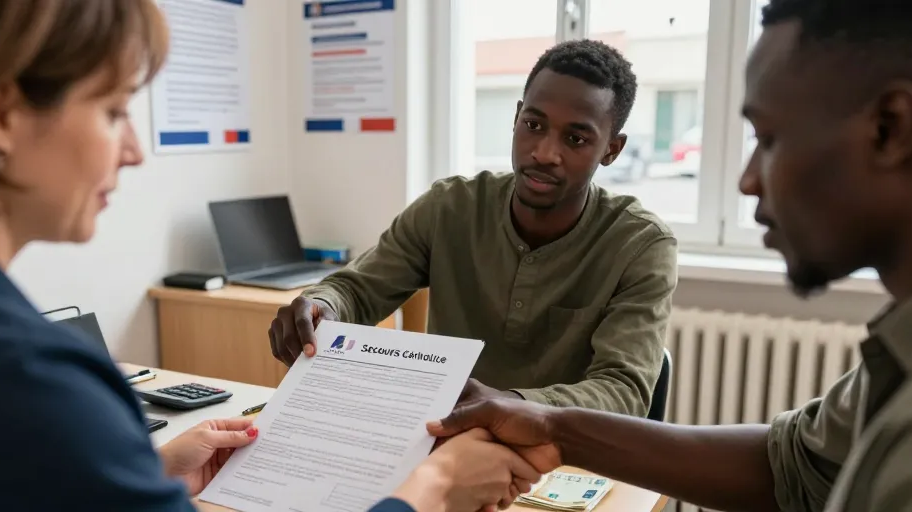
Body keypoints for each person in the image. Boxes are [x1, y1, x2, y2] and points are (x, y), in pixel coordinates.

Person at [0, 2, 537, 510]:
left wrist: (141, 478)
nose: (132, 150)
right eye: (114, 109)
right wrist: (428, 494)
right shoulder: (31, 380)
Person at [425, 0, 912, 511]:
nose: (748, 179)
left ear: (890, 127)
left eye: (769, 139)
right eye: (533, 125)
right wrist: (551, 425)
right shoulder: (901, 354)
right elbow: (791, 464)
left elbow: (626, 387)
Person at [270, 40, 678, 416]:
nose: (544, 153)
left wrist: (508, 404)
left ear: (611, 149)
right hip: (442, 439)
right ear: (517, 117)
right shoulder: (449, 207)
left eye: (575, 138)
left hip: (562, 460)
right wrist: (322, 305)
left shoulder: (641, 245)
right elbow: (357, 290)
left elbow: (624, 391)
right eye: (534, 125)